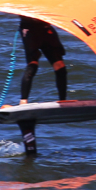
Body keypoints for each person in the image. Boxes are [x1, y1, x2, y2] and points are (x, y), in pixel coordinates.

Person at [17, 15, 67, 155]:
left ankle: (63, 100)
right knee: (33, 65)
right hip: (30, 28)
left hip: (45, 28)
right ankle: (23, 101)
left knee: (60, 66)